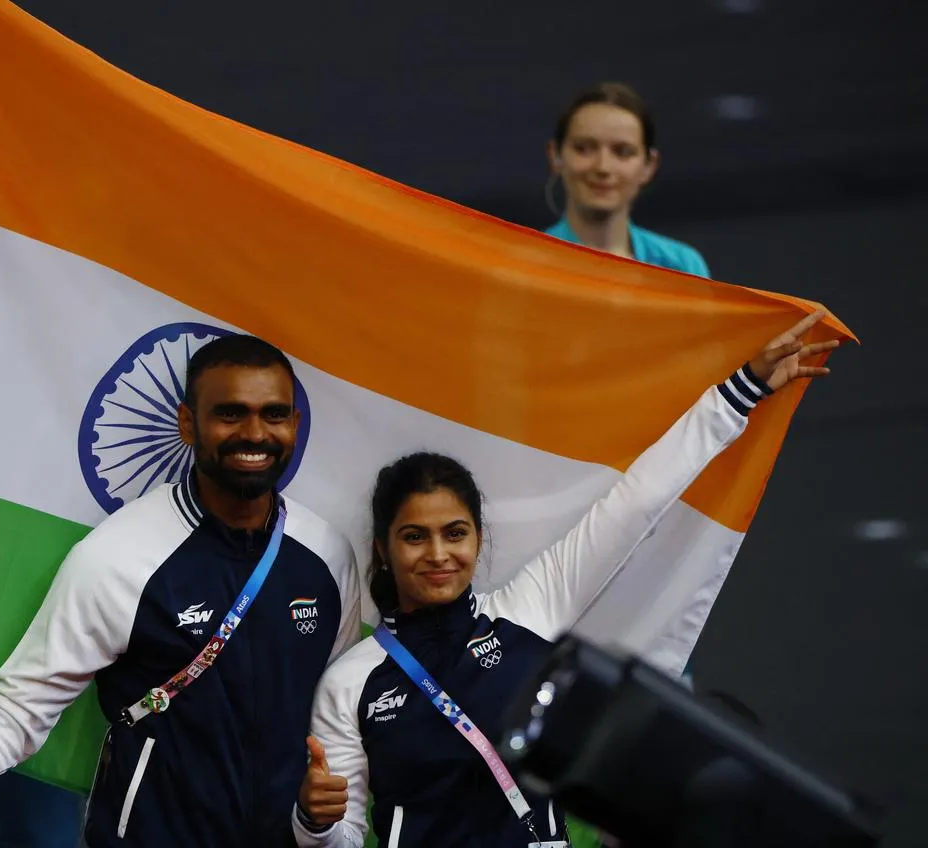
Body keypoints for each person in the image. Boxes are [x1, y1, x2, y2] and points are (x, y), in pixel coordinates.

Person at [293, 313, 838, 847]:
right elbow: (338, 842)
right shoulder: (352, 680)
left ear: (478, 540)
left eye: (454, 533)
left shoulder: (529, 607)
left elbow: (635, 505)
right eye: (415, 537)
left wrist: (739, 391)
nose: (438, 554)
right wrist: (314, 821)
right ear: (382, 552)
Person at [0, 335, 362, 847]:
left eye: (273, 414)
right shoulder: (118, 557)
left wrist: (330, 831)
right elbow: (18, 710)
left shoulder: (327, 555)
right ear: (187, 424)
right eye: (230, 413)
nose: (255, 432)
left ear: (294, 424)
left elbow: (338, 722)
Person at [544, 82, 710, 277]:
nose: (603, 167)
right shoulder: (524, 265)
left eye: (623, 152)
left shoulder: (681, 266)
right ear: (555, 155)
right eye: (584, 148)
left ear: (649, 165)